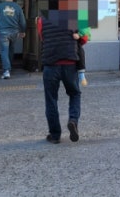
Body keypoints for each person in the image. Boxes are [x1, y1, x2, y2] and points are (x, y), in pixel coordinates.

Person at [38, 14, 84, 144]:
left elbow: (42, 38)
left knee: (51, 98)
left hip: (50, 63)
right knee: (74, 93)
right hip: (70, 62)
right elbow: (84, 38)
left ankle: (55, 135)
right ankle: (73, 120)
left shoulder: (41, 19)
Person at [0, 0, 26, 79]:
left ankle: (6, 70)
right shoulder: (18, 7)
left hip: (3, 31)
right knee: (11, 49)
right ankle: (9, 68)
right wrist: (22, 31)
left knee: (4, 50)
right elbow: (22, 22)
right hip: (14, 31)